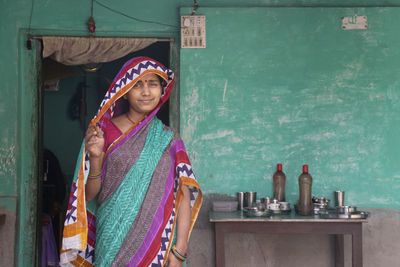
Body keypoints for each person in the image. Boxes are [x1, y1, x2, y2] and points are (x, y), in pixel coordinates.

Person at [60, 57, 202, 267]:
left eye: (152, 84)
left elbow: (183, 193)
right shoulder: (103, 132)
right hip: (111, 239)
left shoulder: (169, 138)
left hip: (157, 245)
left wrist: (179, 250)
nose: (146, 92)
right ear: (125, 91)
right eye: (137, 85)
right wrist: (96, 157)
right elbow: (89, 195)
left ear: (161, 90)